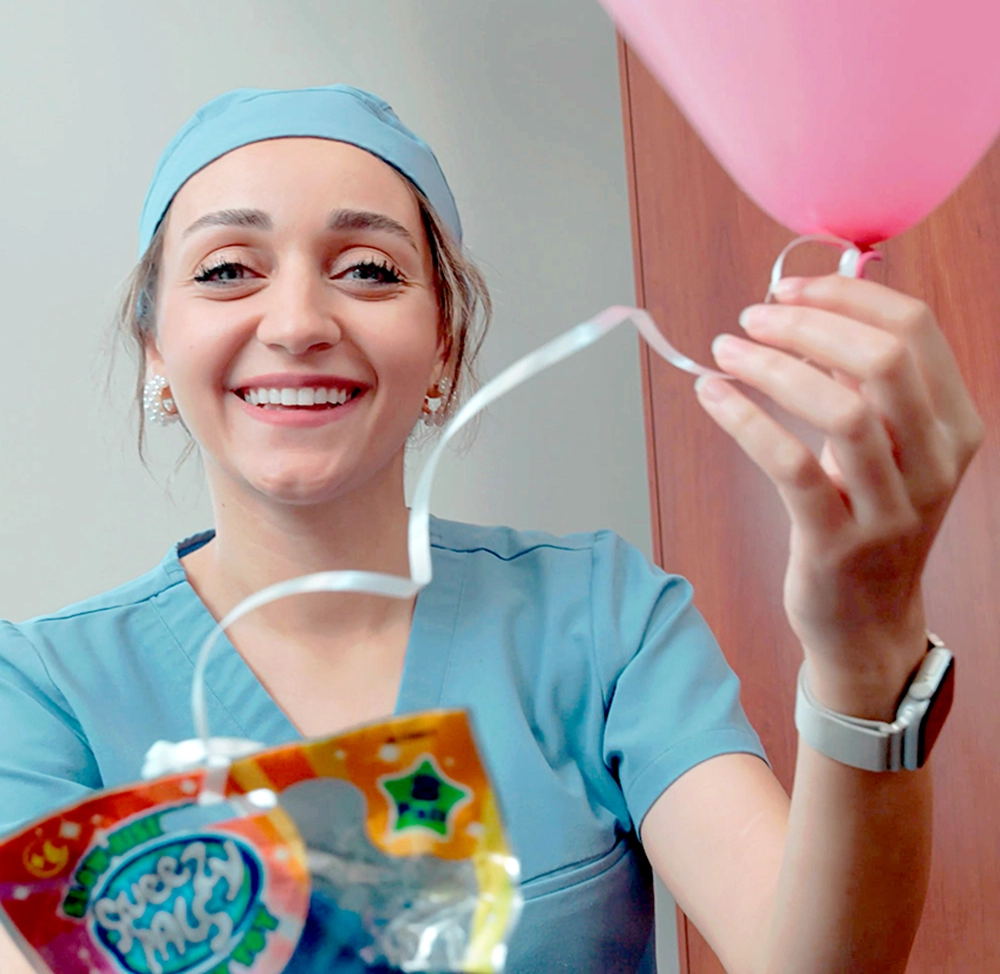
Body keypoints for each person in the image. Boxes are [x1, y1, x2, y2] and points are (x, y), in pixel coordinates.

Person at [0, 85, 983, 974]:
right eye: (225, 270)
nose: (298, 318)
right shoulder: (43, 693)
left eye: (368, 269)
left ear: (443, 349)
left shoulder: (601, 618)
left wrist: (867, 648)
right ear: (154, 356)